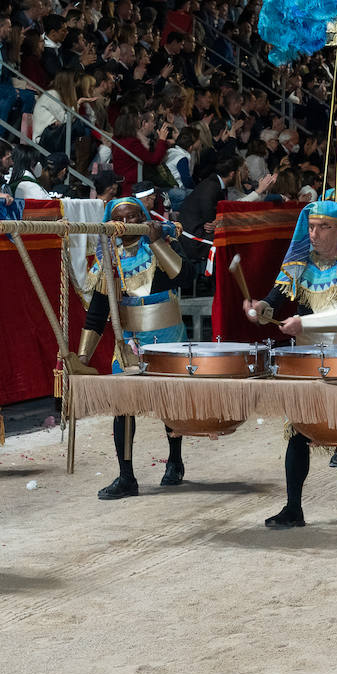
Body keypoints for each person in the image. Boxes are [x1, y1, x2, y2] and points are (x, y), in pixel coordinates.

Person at [245, 201, 337, 527]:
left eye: (323, 227)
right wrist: (261, 307)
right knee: (298, 430)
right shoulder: (298, 267)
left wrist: (303, 323)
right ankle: (293, 507)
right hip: (306, 361)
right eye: (311, 227)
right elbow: (275, 299)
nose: (314, 234)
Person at [77, 197, 193, 499]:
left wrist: (156, 242)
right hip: (129, 342)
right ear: (110, 223)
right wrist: (82, 358)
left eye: (134, 217)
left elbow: (185, 276)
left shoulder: (163, 244)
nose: (127, 223)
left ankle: (175, 460)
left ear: (144, 218)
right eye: (120, 218)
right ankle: (126, 476)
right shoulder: (108, 260)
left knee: (169, 402)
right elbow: (97, 313)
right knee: (123, 408)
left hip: (167, 336)